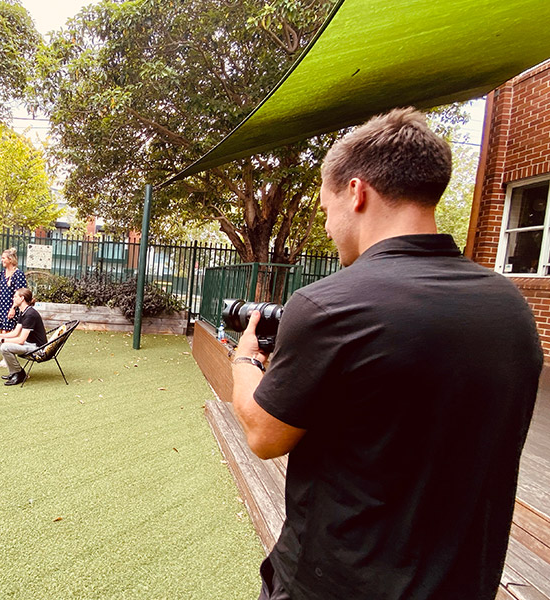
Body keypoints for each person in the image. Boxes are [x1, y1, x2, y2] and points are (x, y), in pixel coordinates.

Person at [231, 108, 543, 600]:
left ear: (356, 193)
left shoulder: (330, 305)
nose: (329, 226)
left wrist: (245, 360)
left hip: (336, 585)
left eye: (326, 206)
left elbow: (265, 434)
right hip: (462, 585)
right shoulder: (512, 308)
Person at [0, 287, 46, 386]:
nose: (13, 298)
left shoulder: (30, 314)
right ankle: (14, 372)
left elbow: (21, 340)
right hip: (29, 344)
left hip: (38, 348)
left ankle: (19, 374)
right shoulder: (23, 311)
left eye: (15, 296)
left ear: (22, 298)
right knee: (0, 343)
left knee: (4, 346)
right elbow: (15, 332)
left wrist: (2, 339)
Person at [0, 247, 27, 368]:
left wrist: (13, 308)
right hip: (1, 305)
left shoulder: (19, 274)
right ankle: (5, 356)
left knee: (9, 330)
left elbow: (20, 293)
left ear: (10, 259)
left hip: (11, 305)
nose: (1, 260)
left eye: (3, 258)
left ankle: (7, 356)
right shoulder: (2, 273)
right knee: (3, 330)